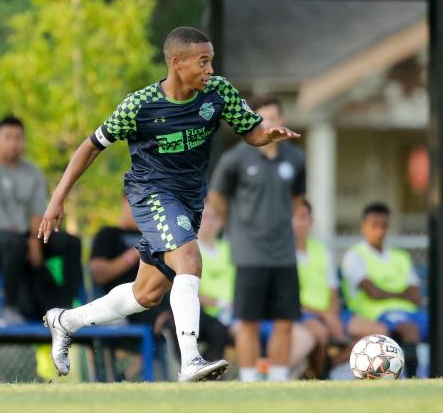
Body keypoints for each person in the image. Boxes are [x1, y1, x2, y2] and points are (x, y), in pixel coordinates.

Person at [38, 26, 300, 382]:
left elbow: (250, 131)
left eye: (211, 61)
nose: (210, 70)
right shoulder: (139, 105)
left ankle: (66, 321)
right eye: (202, 62)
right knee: (189, 260)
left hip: (189, 201)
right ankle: (190, 360)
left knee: (146, 293)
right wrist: (58, 197)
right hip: (151, 194)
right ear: (177, 63)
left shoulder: (219, 92)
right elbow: (91, 146)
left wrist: (265, 136)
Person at [208, 96, 305, 382]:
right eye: (265, 118)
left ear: (283, 120)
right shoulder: (236, 157)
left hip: (285, 253)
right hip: (249, 254)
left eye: (276, 117)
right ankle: (249, 379)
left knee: (285, 321)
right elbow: (216, 197)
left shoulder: (295, 158)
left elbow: (298, 199)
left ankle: (277, 379)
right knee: (248, 322)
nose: (272, 123)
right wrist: (238, 225)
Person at [90, 198, 230, 373]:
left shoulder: (158, 234)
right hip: (137, 303)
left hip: (168, 297)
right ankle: (188, 372)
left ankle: (205, 380)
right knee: (172, 325)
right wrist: (134, 254)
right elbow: (99, 274)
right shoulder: (108, 234)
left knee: (218, 330)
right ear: (126, 202)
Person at [0, 116, 82, 326]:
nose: (14, 143)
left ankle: (67, 309)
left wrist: (34, 240)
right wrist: (30, 242)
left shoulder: (33, 172)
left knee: (70, 243)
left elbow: (39, 212)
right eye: (8, 137)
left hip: (26, 238)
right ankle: (9, 309)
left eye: (18, 137)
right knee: (14, 244)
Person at [342, 202, 443, 378]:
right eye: (374, 225)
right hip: (376, 315)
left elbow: (414, 296)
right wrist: (401, 293)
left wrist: (389, 292)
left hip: (410, 313)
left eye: (384, 225)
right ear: (363, 227)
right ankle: (413, 377)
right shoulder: (355, 256)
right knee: (410, 330)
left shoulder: (400, 257)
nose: (380, 231)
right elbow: (372, 293)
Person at [292, 198, 387, 379]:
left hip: (327, 313)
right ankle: (317, 375)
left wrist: (332, 315)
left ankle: (329, 367)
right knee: (319, 333)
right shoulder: (281, 253)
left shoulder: (322, 251)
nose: (297, 222)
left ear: (311, 221)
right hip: (301, 314)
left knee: (379, 332)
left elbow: (333, 291)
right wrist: (324, 315)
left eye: (302, 217)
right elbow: (286, 298)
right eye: (293, 217)